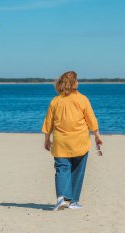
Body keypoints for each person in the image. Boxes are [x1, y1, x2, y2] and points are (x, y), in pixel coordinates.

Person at [42, 71, 103, 211]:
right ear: (74, 83)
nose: (79, 82)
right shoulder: (82, 99)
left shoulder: (55, 101)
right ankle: (74, 201)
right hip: (79, 141)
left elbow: (48, 123)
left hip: (60, 142)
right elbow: (91, 119)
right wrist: (97, 136)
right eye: (77, 80)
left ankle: (61, 198)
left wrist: (47, 139)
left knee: (62, 169)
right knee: (77, 170)